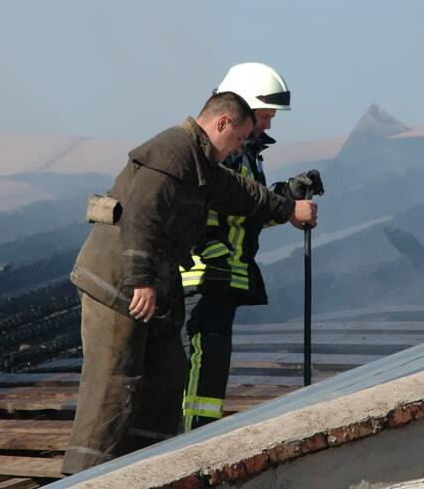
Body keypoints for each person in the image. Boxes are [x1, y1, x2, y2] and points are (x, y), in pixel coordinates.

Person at [61, 91, 318, 475]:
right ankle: (83, 479)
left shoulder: (201, 161)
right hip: (118, 286)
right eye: (236, 139)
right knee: (114, 382)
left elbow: (239, 193)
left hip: (154, 287)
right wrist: (142, 281)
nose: (237, 149)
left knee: (167, 375)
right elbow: (141, 218)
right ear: (222, 123)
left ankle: (147, 471)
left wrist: (287, 208)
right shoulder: (174, 152)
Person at [180, 63, 323, 432]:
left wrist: (287, 197)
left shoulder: (243, 154)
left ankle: (198, 444)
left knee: (209, 379)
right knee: (199, 378)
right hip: (204, 279)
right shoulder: (223, 152)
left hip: (220, 281)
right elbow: (206, 210)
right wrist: (287, 207)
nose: (270, 124)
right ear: (241, 107)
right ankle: (188, 449)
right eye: (265, 115)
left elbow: (246, 211)